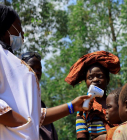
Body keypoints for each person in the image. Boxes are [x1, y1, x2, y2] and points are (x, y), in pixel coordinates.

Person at [0, 4, 92, 140]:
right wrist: (25, 124)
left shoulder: (8, 58)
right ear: (6, 25)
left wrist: (72, 106)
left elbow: (35, 115)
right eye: (18, 25)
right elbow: (28, 119)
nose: (22, 33)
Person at [65, 51, 120, 140]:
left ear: (107, 80)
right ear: (86, 82)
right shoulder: (82, 109)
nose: (95, 80)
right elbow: (81, 137)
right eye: (90, 77)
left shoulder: (118, 103)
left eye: (100, 76)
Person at [21, 51, 58, 140]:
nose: (37, 72)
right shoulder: (19, 97)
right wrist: (71, 107)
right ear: (20, 69)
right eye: (32, 68)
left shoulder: (37, 99)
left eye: (39, 69)